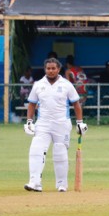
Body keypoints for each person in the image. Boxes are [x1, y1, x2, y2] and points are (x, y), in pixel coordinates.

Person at [23, 57, 87, 192]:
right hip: (43, 123)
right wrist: (29, 121)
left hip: (61, 124)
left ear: (58, 69)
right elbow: (32, 104)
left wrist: (80, 123)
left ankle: (62, 184)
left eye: (53, 68)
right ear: (45, 69)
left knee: (60, 151)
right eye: (48, 68)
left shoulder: (66, 85)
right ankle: (34, 182)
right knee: (36, 149)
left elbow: (76, 104)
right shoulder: (38, 84)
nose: (50, 71)